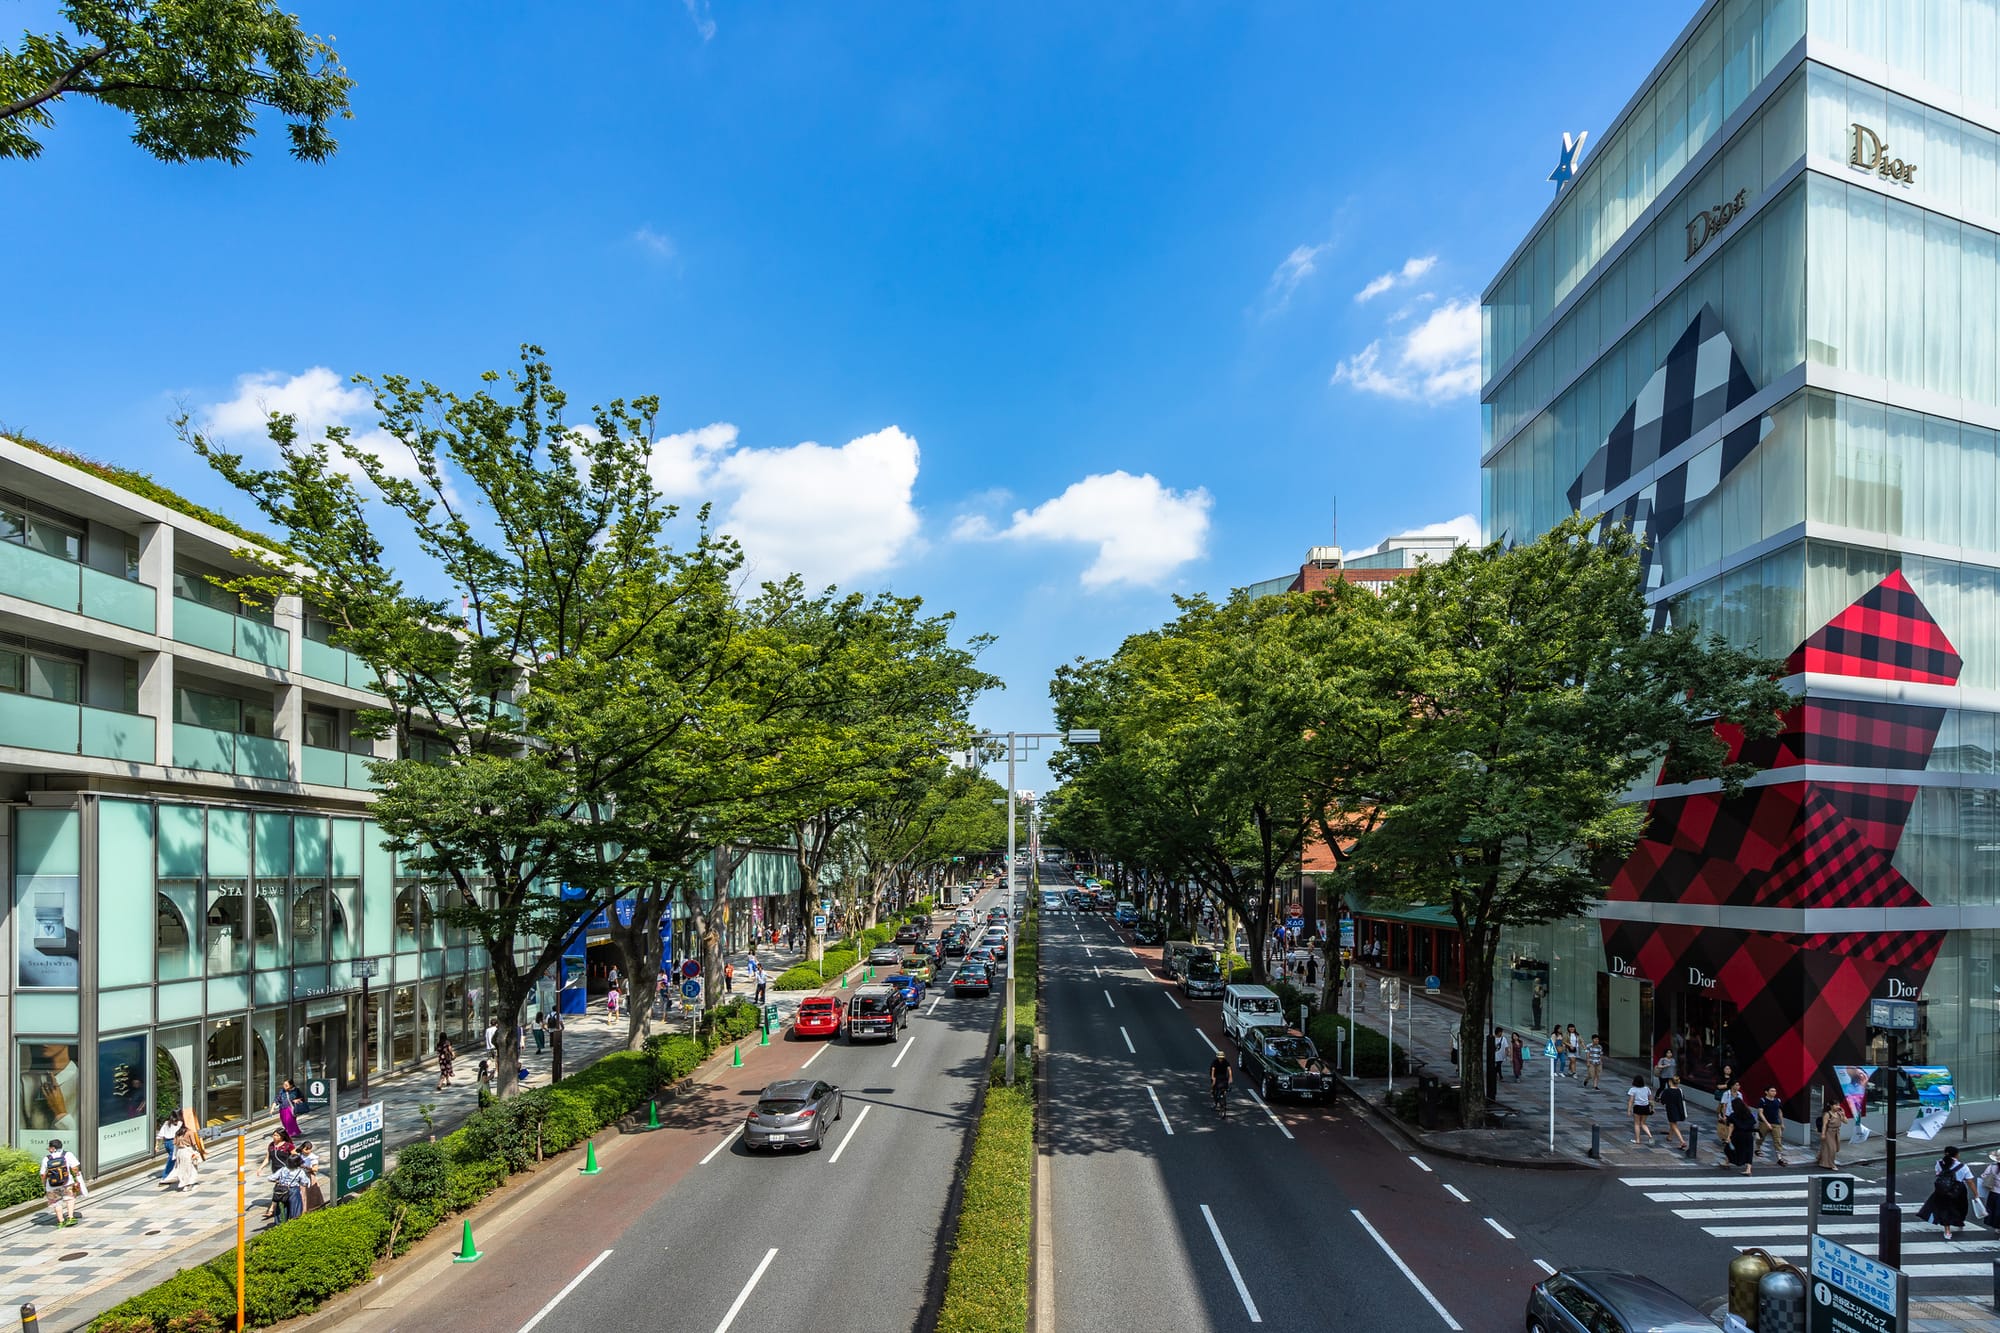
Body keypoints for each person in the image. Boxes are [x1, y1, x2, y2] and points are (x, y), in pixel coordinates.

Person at [1919, 1145, 1976, 1239]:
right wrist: (1976, 1194)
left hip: (1942, 1190)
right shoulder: (1962, 1166)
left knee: (1944, 1209)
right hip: (1958, 1190)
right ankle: (1959, 1221)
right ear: (1957, 1155)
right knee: (1961, 1207)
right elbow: (1969, 1181)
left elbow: (1938, 1174)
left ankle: (1947, 1230)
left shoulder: (1939, 1163)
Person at [40, 1138, 84, 1227]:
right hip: (67, 1182)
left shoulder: (46, 1158)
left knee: (55, 1202)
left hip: (52, 1185)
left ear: (52, 1148)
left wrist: (44, 1184)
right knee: (70, 1198)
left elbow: (42, 1174)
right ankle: (70, 1217)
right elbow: (75, 1169)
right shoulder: (67, 1155)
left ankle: (60, 1221)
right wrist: (76, 1178)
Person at [168, 1109, 204, 1193]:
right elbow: (194, 1143)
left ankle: (183, 1182)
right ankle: (188, 1184)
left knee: (182, 1168)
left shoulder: (177, 1132)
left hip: (180, 1152)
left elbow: (175, 1143)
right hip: (188, 1151)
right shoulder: (190, 1132)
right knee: (190, 1168)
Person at [1726, 1092, 1758, 1175]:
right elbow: (1753, 1123)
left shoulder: (1733, 1115)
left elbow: (1731, 1126)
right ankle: (1748, 1169)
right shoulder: (1749, 1113)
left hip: (1738, 1135)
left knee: (1729, 1148)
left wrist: (1729, 1136)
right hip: (1748, 1135)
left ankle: (1727, 1162)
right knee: (1749, 1151)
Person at [1756, 1086, 1788, 1165]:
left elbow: (1780, 1112)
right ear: (1766, 1092)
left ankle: (1779, 1158)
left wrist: (1782, 1123)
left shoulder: (1778, 1100)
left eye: (1775, 1091)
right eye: (1772, 1091)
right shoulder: (1762, 1100)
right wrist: (1767, 1123)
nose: (1774, 1092)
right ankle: (1757, 1149)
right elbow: (1760, 1112)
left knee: (1778, 1140)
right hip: (1764, 1123)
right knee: (1760, 1137)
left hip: (1776, 1123)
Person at [1817, 1098, 1849, 1170]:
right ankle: (1831, 1164)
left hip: (1836, 1133)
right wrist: (1823, 1134)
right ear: (1831, 1106)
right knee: (1832, 1149)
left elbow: (1846, 1122)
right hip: (1829, 1133)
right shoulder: (1827, 1114)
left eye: (1838, 1105)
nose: (1838, 1106)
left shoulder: (1839, 1113)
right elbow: (1824, 1125)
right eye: (1836, 1105)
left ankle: (1820, 1157)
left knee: (1836, 1148)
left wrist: (1843, 1115)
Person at [1661, 1075, 1689, 1151]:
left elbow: (1662, 1101)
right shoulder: (1679, 1091)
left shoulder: (1667, 1091)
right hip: (1678, 1110)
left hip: (1670, 1110)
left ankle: (1682, 1141)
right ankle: (1669, 1137)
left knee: (1674, 1125)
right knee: (1673, 1123)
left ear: (1670, 1082)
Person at [297, 1140, 325, 1213]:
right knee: (302, 1193)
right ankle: (303, 1210)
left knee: (311, 1193)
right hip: (300, 1176)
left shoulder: (313, 1157)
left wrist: (306, 1167)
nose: (308, 1151)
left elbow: (315, 1169)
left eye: (309, 1149)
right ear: (302, 1149)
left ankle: (314, 1208)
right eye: (306, 1149)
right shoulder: (300, 1156)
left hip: (309, 1176)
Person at [1627, 1075, 1656, 1144]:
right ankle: (1650, 1136)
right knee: (1643, 1123)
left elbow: (1631, 1101)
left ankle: (1638, 1140)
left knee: (1637, 1124)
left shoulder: (1633, 1089)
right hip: (1646, 1107)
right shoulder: (1647, 1089)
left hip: (1637, 1107)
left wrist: (1629, 1110)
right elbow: (1651, 1100)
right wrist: (1652, 1108)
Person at [1979, 1151, 2000, 1231]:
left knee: (1995, 1211)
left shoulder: (1992, 1166)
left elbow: (1984, 1176)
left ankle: (1997, 1227)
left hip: (1994, 1192)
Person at [156, 1113, 180, 1182]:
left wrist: (157, 1145)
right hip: (173, 1142)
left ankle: (174, 1174)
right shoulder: (178, 1123)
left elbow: (160, 1135)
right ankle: (165, 1176)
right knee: (172, 1159)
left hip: (166, 1143)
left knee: (174, 1158)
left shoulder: (166, 1123)